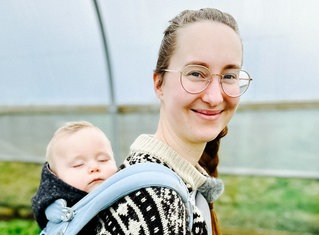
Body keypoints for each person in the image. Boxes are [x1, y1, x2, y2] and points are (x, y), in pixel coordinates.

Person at [94, 8, 252, 235]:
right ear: (159, 83)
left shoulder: (177, 186)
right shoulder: (156, 203)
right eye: (196, 73)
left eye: (229, 76)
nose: (215, 97)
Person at [31, 121, 118, 233]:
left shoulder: (131, 193)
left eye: (103, 159)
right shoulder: (59, 216)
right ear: (56, 178)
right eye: (78, 164)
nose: (94, 167)